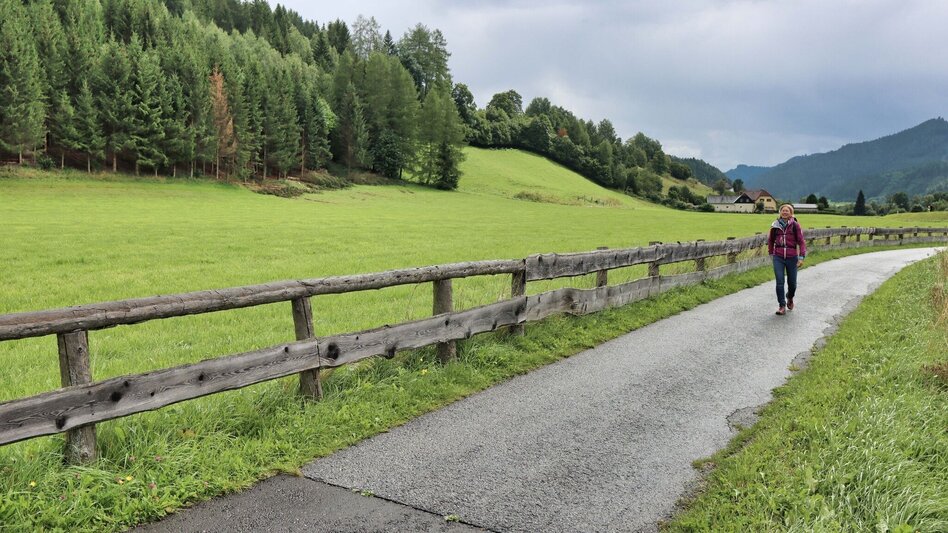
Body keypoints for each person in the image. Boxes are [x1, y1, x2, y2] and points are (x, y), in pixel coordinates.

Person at [767, 203, 806, 315]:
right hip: (778, 257)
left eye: (787, 211)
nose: (784, 212)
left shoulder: (795, 225)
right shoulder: (775, 225)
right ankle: (782, 306)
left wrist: (801, 257)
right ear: (780, 212)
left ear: (791, 213)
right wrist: (771, 253)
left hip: (792, 257)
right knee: (780, 282)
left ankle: (790, 297)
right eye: (783, 210)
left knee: (792, 283)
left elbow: (801, 241)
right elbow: (770, 240)